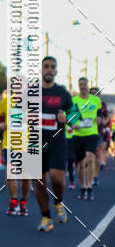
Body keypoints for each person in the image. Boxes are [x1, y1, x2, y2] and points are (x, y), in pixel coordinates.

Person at [36, 57, 79, 232]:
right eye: (46, 66)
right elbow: (16, 115)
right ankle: (46, 218)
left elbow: (76, 115)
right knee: (39, 183)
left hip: (57, 142)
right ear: (41, 69)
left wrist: (67, 118)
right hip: (35, 143)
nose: (49, 69)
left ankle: (58, 202)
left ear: (56, 71)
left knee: (56, 178)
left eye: (52, 67)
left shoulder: (62, 93)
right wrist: (24, 118)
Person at [0, 91, 31, 215]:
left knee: (26, 176)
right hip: (9, 143)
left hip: (27, 143)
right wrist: (1, 123)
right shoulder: (6, 101)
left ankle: (23, 202)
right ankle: (14, 200)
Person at [71, 78, 102, 201]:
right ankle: (82, 185)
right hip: (78, 134)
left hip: (92, 133)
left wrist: (99, 119)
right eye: (81, 84)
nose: (83, 86)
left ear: (88, 86)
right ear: (78, 86)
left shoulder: (96, 100)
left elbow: (99, 114)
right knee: (79, 164)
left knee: (90, 157)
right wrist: (73, 124)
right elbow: (70, 118)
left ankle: (89, 185)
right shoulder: (74, 101)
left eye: (85, 84)